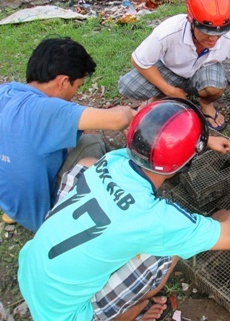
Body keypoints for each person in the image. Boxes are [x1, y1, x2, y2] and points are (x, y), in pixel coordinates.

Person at [18, 98, 230, 321]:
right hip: (67, 316)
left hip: (30, 269)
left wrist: (202, 143)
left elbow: (154, 147)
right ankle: (131, 312)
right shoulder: (155, 219)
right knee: (163, 253)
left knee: (87, 172)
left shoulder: (113, 160)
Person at [0, 37, 136, 232]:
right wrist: (131, 113)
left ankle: (14, 213)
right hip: (44, 219)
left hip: (13, 203)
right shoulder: (47, 111)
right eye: (77, 86)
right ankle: (93, 215)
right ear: (63, 81)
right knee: (91, 143)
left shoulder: (6, 91)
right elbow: (118, 120)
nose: (75, 94)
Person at [118, 0, 230, 131]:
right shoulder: (169, 31)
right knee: (129, 86)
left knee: (214, 87)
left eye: (219, 33)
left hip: (204, 69)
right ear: (190, 20)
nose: (213, 38)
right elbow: (139, 60)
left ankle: (205, 104)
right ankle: (164, 96)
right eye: (206, 31)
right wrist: (169, 89)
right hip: (170, 69)